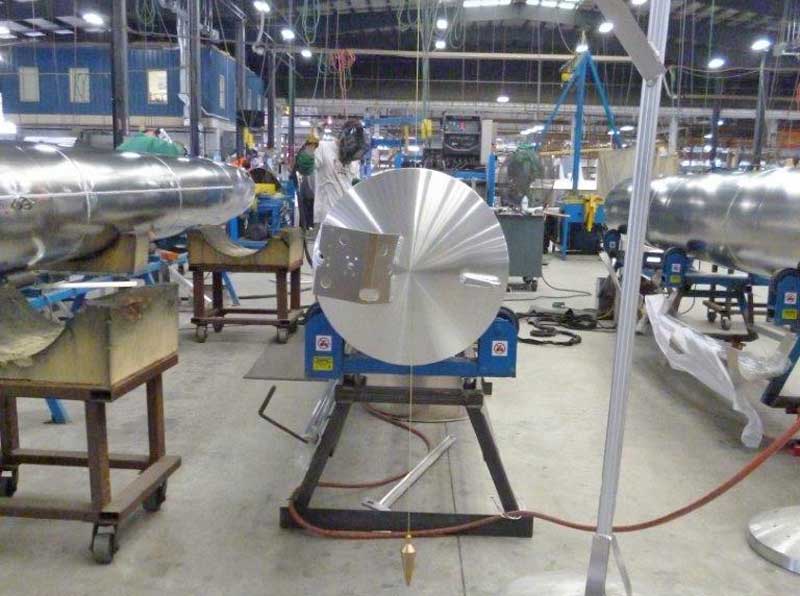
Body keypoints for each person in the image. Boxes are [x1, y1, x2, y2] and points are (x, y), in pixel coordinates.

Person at [313, 119, 367, 225]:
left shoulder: (353, 158)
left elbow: (351, 183)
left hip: (345, 218)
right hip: (325, 219)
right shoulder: (323, 148)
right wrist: (313, 140)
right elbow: (304, 166)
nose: (351, 160)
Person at [291, 133, 319, 230]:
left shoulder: (311, 154)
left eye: (314, 146)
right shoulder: (304, 155)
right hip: (303, 186)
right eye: (312, 145)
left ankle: (308, 227)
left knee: (310, 208)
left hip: (310, 189)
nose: (313, 147)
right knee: (304, 209)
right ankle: (305, 228)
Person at [116, 127, 184, 157]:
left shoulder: (127, 143)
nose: (158, 138)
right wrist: (181, 147)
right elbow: (176, 150)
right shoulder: (151, 141)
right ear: (150, 132)